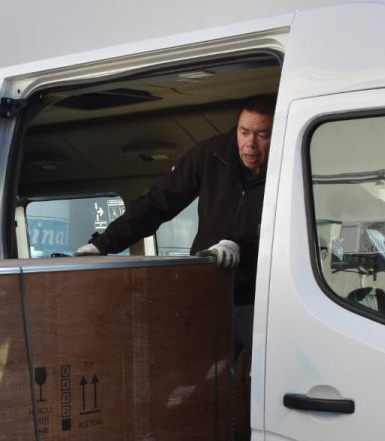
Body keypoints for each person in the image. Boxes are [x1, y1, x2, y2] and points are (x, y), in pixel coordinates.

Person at [77, 94, 275, 328]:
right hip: (207, 287)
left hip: (264, 296)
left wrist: (239, 247)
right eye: (244, 132)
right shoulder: (211, 155)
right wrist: (103, 243)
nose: (250, 143)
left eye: (262, 135)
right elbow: (156, 203)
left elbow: (287, 239)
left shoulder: (289, 167)